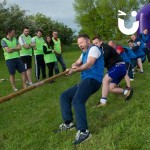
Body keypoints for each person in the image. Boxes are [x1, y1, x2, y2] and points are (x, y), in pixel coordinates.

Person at [57, 34, 104, 144]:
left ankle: (84, 132)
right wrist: (74, 65)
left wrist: (75, 70)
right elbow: (77, 62)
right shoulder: (84, 53)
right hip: (85, 80)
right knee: (65, 96)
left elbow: (88, 64)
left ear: (88, 41)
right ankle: (68, 123)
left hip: (93, 80)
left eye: (81, 43)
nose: (80, 45)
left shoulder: (94, 49)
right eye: (78, 44)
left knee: (77, 101)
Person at [92, 36, 133, 107]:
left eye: (97, 43)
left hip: (118, 66)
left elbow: (103, 57)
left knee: (105, 80)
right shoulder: (100, 50)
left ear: (101, 42)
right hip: (117, 69)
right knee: (110, 88)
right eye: (94, 44)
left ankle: (103, 101)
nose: (96, 45)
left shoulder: (105, 47)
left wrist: (92, 61)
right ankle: (126, 92)